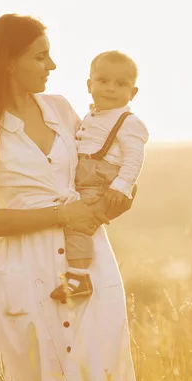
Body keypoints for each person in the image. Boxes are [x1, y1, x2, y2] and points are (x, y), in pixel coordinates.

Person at [0, 14, 139, 381]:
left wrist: (112, 200)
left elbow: (100, 168)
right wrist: (60, 215)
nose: (51, 66)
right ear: (8, 62)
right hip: (26, 272)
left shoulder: (61, 109)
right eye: (40, 57)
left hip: (89, 262)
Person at [50, 50, 149, 301]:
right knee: (71, 217)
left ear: (133, 93)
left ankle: (78, 276)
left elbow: (134, 157)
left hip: (102, 179)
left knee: (79, 223)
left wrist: (120, 186)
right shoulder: (93, 115)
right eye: (103, 81)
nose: (110, 88)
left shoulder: (128, 121)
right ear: (89, 85)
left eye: (121, 84)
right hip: (85, 175)